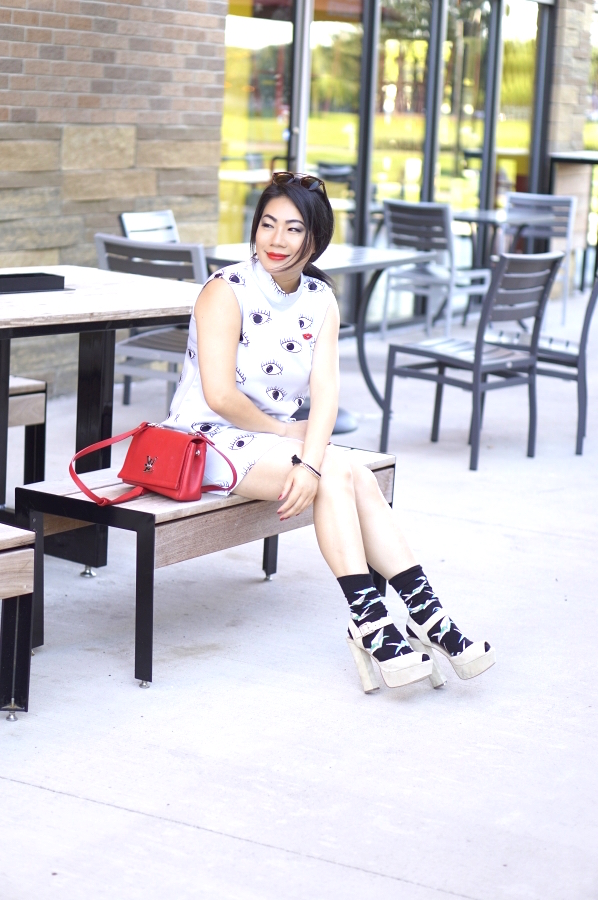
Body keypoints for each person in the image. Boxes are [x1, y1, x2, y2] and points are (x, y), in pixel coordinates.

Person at [164, 172, 495, 693]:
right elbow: (220, 395)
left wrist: (309, 458)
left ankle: (407, 618)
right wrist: (296, 444)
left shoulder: (320, 299)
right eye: (267, 224)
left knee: (346, 470)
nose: (277, 240)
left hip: (274, 441)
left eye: (293, 229)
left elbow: (326, 394)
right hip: (205, 441)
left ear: (315, 238)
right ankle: (394, 620)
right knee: (340, 470)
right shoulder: (224, 291)